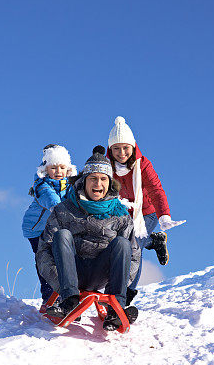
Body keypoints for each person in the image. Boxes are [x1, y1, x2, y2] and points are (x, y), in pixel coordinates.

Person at [36, 150, 141, 330]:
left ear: (110, 183)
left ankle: (116, 308)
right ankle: (69, 301)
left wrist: (123, 284)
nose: (98, 183)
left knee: (122, 243)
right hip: (70, 272)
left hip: (102, 272)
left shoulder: (121, 216)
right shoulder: (64, 210)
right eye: (93, 178)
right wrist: (61, 284)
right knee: (62, 235)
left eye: (103, 179)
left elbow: (133, 257)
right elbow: (44, 252)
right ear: (84, 181)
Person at [105, 115, 173, 299]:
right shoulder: (106, 167)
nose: (121, 153)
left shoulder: (143, 165)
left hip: (145, 212)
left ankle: (127, 293)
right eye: (116, 149)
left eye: (125, 148)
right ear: (110, 149)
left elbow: (156, 190)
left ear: (132, 147)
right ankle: (155, 241)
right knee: (114, 244)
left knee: (134, 245)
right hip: (119, 213)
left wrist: (164, 215)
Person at [22, 144, 77, 304]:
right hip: (37, 230)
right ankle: (49, 297)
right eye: (53, 167)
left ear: (68, 168)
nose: (58, 171)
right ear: (46, 169)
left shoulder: (70, 185)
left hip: (56, 229)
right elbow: (53, 202)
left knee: (63, 259)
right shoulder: (41, 185)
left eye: (62, 167)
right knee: (45, 260)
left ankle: (65, 295)